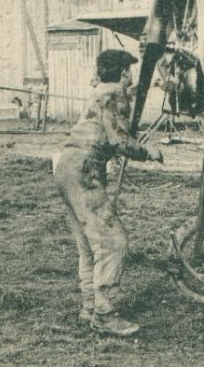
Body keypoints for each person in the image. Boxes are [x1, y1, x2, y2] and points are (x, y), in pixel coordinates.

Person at [53, 48, 164, 337]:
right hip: (85, 170)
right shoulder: (115, 94)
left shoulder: (101, 90)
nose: (131, 76)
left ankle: (89, 306)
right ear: (124, 73)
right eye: (130, 71)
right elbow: (120, 140)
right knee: (113, 241)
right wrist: (149, 152)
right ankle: (105, 313)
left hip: (67, 166)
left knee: (89, 244)